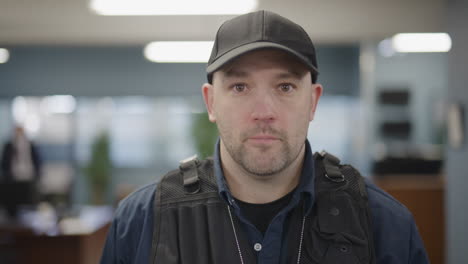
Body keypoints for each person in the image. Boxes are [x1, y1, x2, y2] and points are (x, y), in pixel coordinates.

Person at [100, 10, 429, 264]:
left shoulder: (383, 222)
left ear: (312, 101)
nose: (263, 111)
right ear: (211, 102)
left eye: (284, 87)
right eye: (240, 87)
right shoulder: (142, 220)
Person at [1, 125, 42, 218]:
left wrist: (37, 174)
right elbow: (4, 162)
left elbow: (37, 161)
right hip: (13, 180)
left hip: (28, 178)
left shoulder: (30, 145)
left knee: (30, 202)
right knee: (13, 202)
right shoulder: (9, 145)